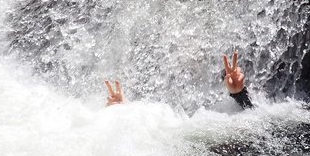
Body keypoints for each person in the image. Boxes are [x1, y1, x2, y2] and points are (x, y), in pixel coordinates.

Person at [105, 50, 253, 109]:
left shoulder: (218, 86)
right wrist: (123, 109)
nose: (192, 57)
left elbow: (252, 113)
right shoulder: (164, 89)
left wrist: (238, 94)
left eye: (200, 53)